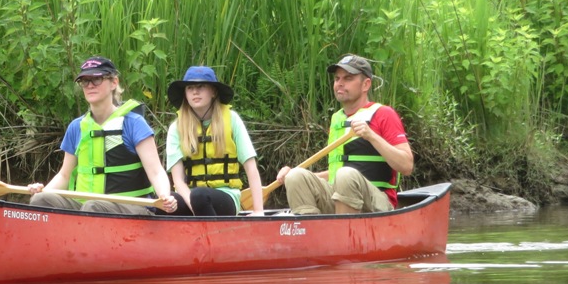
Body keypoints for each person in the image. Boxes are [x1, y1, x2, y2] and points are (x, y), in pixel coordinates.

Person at [28, 56, 178, 215]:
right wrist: (43, 191)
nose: (90, 85)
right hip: (88, 207)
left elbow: (156, 171)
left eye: (97, 79)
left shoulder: (133, 123)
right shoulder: (76, 127)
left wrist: (164, 196)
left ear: (114, 83)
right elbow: (64, 175)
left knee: (94, 206)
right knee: (40, 200)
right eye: (85, 81)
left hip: (132, 209)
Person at [277, 54, 413, 214]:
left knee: (346, 174)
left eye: (348, 78)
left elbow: (406, 166)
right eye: (337, 79)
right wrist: (301, 176)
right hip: (341, 194)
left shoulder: (384, 114)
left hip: (379, 202)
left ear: (366, 85)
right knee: (296, 177)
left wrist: (371, 136)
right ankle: (310, 234)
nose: (339, 84)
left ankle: (345, 233)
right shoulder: (337, 119)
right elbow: (336, 173)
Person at [165, 66, 264, 216]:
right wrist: (195, 208)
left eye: (201, 86)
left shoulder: (232, 120)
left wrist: (258, 211)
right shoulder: (176, 128)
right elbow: (178, 180)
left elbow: (251, 168)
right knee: (166, 201)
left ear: (213, 91)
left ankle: (212, 238)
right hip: (192, 197)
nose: (195, 92)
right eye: (190, 87)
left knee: (200, 196)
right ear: (185, 94)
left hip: (226, 197)